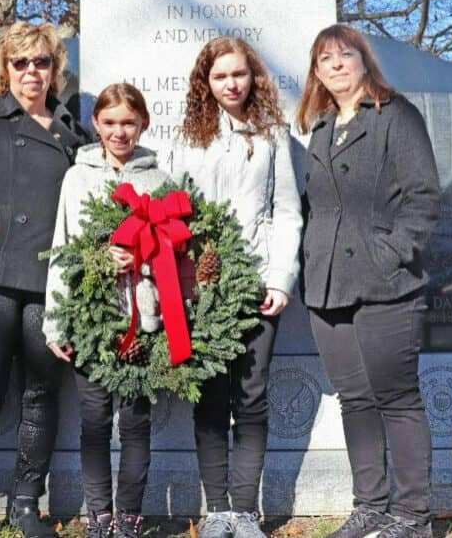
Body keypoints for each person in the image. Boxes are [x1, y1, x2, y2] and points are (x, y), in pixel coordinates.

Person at [296, 24, 441, 538]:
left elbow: (424, 197)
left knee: (396, 397)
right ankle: (371, 508)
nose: (335, 65)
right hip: (327, 287)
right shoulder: (319, 130)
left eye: (344, 55)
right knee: (354, 400)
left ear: (363, 60)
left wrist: (391, 253)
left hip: (386, 284)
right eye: (324, 59)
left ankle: (412, 516)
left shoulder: (394, 115)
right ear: (316, 72)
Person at [0, 21, 91, 538]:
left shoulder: (75, 133)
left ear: (55, 70)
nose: (32, 71)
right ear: (4, 68)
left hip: (49, 283)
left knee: (40, 395)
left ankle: (27, 503)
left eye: (42, 62)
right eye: (20, 62)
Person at [169, 37, 302, 538]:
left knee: (250, 396)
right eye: (220, 75)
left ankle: (245, 512)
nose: (231, 83)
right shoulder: (188, 138)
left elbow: (287, 211)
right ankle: (217, 509)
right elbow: (173, 212)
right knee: (209, 397)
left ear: (253, 78)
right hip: (200, 289)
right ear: (206, 82)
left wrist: (280, 279)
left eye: (239, 74)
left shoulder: (272, 135)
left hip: (257, 283)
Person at [43, 83, 172, 538]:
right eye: (110, 122)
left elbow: (176, 251)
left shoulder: (158, 180)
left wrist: (144, 256)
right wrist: (55, 322)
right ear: (96, 124)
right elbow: (63, 247)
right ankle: (99, 516)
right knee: (94, 421)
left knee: (135, 422)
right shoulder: (77, 178)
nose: (120, 132)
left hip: (144, 317)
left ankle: (130, 516)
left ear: (143, 125)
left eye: (129, 123)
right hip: (90, 319)